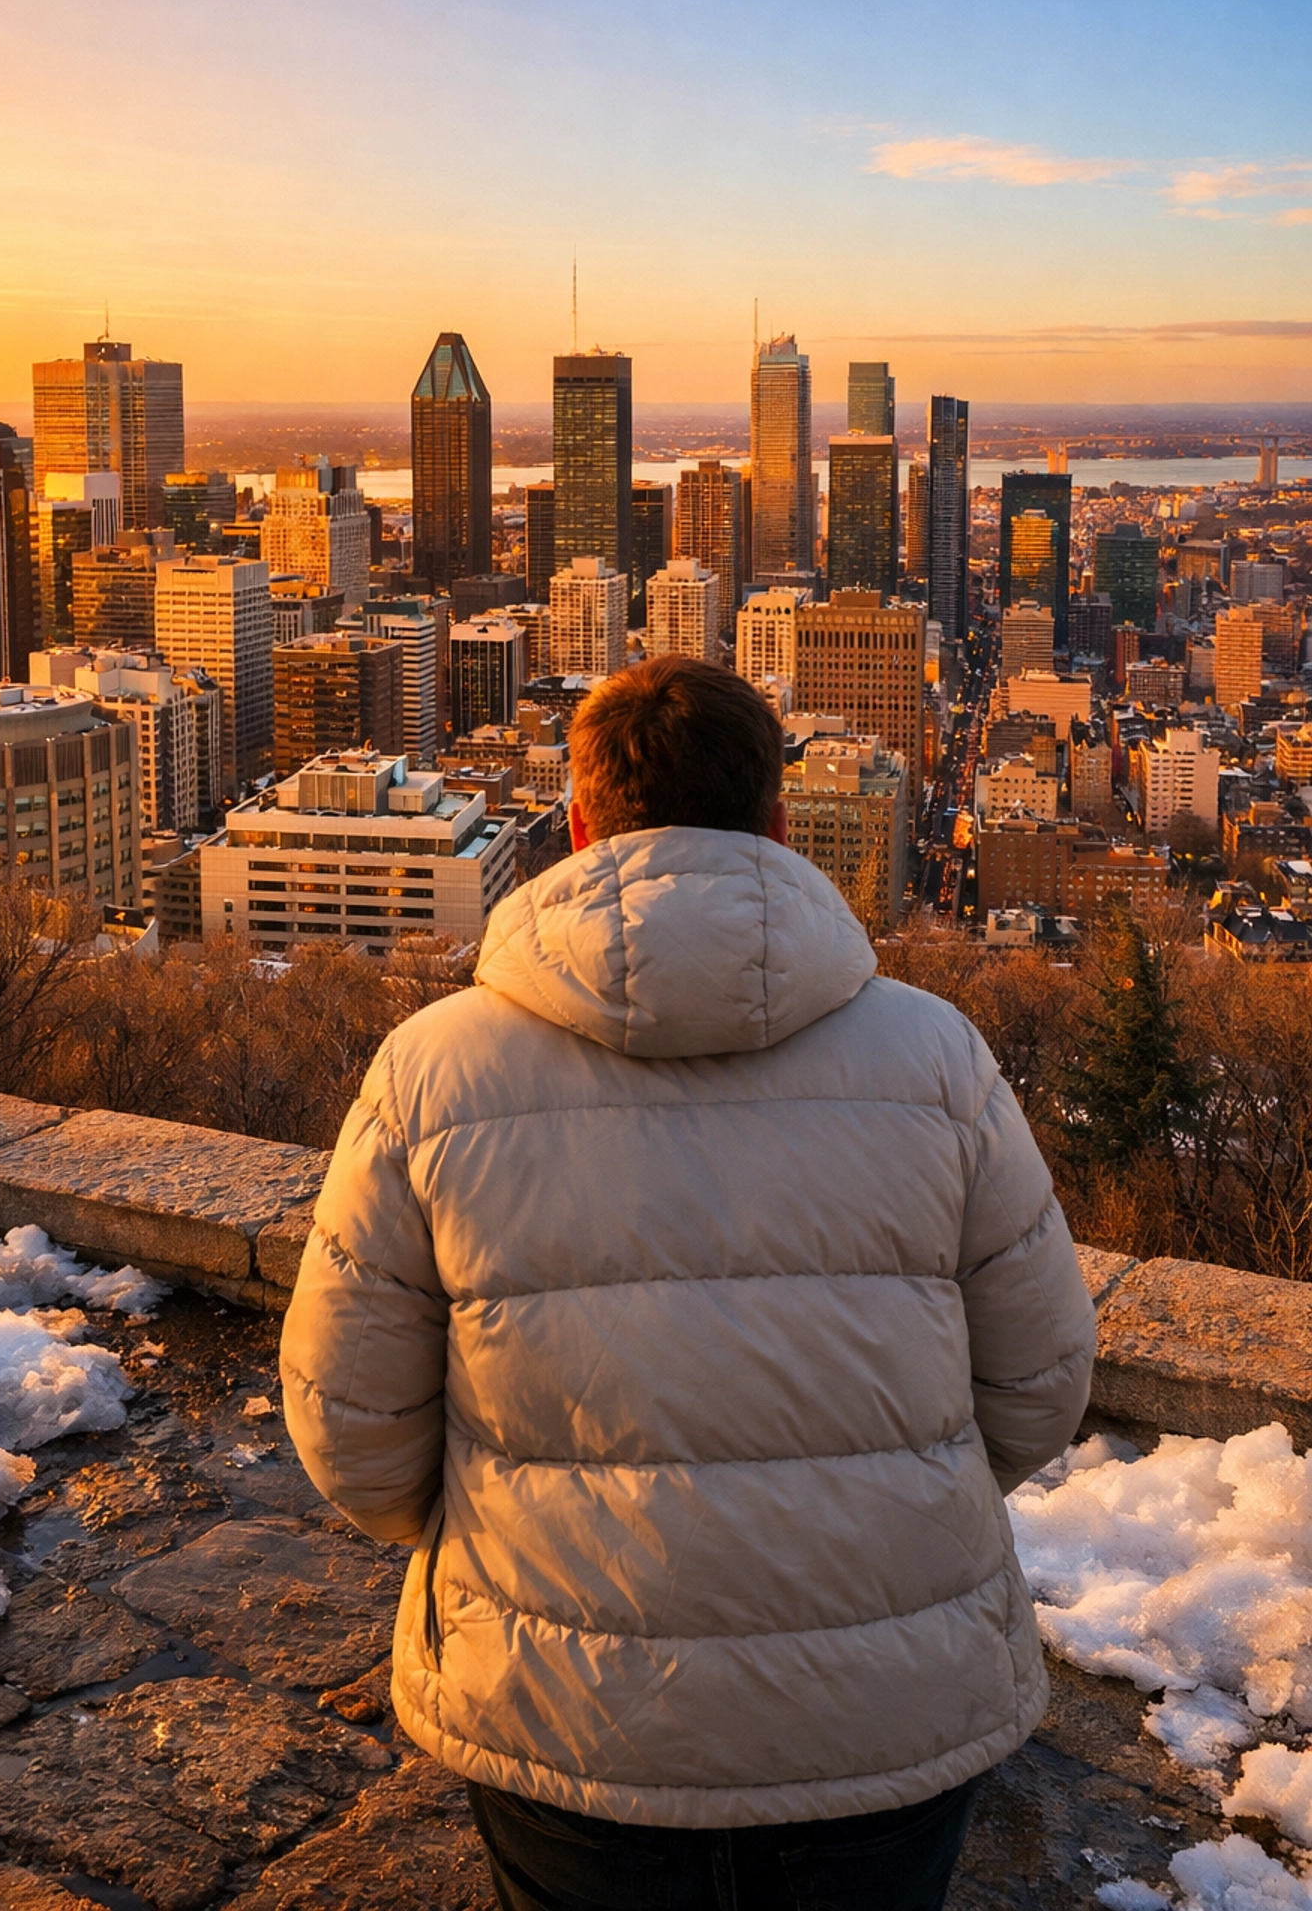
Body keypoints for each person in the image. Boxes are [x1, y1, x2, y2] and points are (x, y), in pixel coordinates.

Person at [281, 657, 1095, 1910]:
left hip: (569, 1713)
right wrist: (895, 1488)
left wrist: (490, 1546)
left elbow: (351, 1426)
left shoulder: (433, 1070)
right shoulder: (935, 1054)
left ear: (580, 824)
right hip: (883, 1711)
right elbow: (1041, 1382)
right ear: (777, 821)